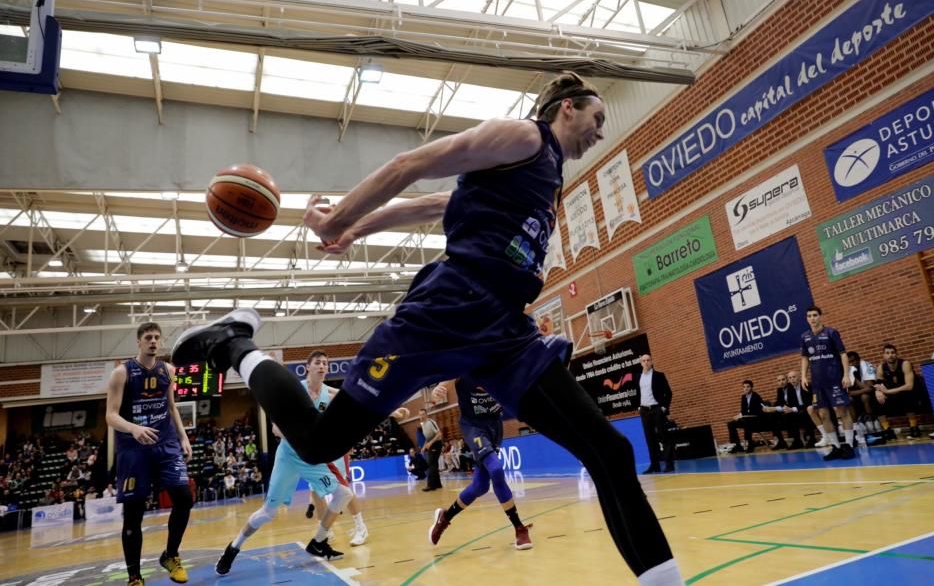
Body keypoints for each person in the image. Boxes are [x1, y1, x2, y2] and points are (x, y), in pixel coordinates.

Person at [172, 72, 682, 585]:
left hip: (504, 331)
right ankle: (236, 342)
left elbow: (433, 206)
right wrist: (339, 218)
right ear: (567, 108)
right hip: (445, 312)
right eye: (597, 119)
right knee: (319, 442)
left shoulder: (547, 176)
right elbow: (411, 165)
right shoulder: (526, 137)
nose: (600, 132)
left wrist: (356, 229)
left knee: (610, 452)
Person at [216, 350, 387, 574]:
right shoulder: (294, 390)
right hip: (289, 455)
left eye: (326, 363)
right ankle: (233, 548)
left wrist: (390, 412)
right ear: (308, 367)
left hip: (312, 457)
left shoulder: (331, 393)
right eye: (318, 363)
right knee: (268, 512)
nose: (323, 366)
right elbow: (276, 428)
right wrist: (300, 437)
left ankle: (318, 541)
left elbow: (359, 403)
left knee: (343, 493)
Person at [105, 323, 193, 586]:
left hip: (166, 445)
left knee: (184, 498)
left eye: (156, 337)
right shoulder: (121, 373)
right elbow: (111, 415)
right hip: (134, 450)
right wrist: (134, 429)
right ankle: (134, 576)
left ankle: (171, 555)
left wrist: (183, 437)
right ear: (139, 342)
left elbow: (171, 407)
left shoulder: (168, 371)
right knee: (134, 514)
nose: (153, 341)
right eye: (148, 337)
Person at [427, 379, 533, 550]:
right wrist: (439, 387)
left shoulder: (502, 359)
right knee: (496, 469)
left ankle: (444, 517)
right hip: (473, 426)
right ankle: (519, 528)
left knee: (480, 486)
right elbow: (450, 373)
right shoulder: (467, 359)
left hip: (495, 426)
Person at [800, 305, 855, 460]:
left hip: (835, 379)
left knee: (842, 411)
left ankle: (849, 445)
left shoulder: (831, 332)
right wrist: (804, 376)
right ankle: (836, 447)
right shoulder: (805, 337)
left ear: (820, 316)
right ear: (807, 318)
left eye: (815, 315)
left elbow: (843, 354)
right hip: (818, 383)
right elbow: (805, 358)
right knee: (823, 414)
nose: (812, 318)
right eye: (809, 316)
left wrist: (845, 375)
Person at [637, 354, 675, 473]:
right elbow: (637, 393)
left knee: (664, 437)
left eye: (648, 360)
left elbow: (668, 393)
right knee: (650, 439)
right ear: (641, 363)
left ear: (652, 362)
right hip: (644, 411)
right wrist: (639, 407)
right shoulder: (638, 377)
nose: (646, 362)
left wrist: (664, 407)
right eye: (644, 360)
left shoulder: (659, 376)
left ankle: (669, 464)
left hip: (657, 410)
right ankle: (654, 465)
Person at [874, 344, 920, 440]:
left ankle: (914, 427)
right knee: (877, 399)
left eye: (893, 353)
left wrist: (888, 391)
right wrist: (878, 392)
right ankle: (887, 430)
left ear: (896, 354)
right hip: (893, 395)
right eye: (887, 353)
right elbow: (878, 385)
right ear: (884, 355)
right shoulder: (881, 368)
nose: (890, 355)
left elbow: (909, 386)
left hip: (908, 392)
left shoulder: (905, 364)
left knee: (908, 394)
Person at [726, 381, 768, 453]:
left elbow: (758, 411)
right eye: (744, 387)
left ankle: (750, 443)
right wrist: (738, 416)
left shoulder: (756, 396)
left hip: (756, 419)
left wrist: (743, 416)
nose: (745, 388)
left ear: (751, 387)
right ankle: (738, 445)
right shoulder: (743, 397)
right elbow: (743, 411)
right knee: (731, 424)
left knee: (747, 421)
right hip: (746, 418)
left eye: (748, 386)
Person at [760, 373, 791, 449]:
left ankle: (780, 441)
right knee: (771, 415)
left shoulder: (791, 387)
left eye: (783, 379)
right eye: (779, 380)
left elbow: (790, 403)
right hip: (783, 411)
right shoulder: (779, 390)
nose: (781, 382)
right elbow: (779, 402)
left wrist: (774, 408)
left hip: (791, 410)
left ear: (787, 380)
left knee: (774, 416)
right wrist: (770, 408)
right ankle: (780, 441)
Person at [419, 409, 444, 491]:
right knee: (434, 464)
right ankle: (438, 484)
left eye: (423, 414)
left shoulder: (430, 422)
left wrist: (430, 443)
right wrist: (424, 446)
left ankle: (431, 485)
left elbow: (439, 434)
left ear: (426, 415)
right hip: (431, 444)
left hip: (436, 444)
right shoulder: (423, 424)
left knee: (431, 464)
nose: (421, 416)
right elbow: (427, 437)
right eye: (420, 415)